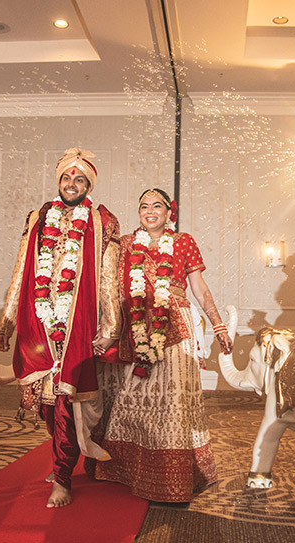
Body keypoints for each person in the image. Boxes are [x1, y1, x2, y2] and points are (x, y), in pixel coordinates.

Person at [0, 148, 121, 508]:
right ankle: (60, 458)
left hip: (77, 319)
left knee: (67, 398)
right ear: (58, 181)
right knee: (47, 401)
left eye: (79, 179)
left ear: (88, 184)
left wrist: (110, 324)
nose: (71, 184)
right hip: (38, 318)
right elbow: (22, 268)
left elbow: (108, 276)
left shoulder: (102, 219)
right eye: (66, 178)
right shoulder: (39, 216)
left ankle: (63, 478)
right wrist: (7, 319)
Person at [92, 188, 232, 502]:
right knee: (134, 400)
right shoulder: (126, 244)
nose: (150, 211)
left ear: (170, 213)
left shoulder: (184, 242)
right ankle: (129, 471)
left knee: (174, 404)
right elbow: (106, 284)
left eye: (157, 206)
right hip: (135, 326)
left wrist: (217, 323)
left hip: (177, 327)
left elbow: (199, 288)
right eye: (144, 206)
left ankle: (175, 477)